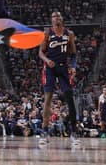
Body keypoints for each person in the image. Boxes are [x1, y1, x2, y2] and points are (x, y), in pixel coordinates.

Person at [37, 10, 79, 146]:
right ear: (51, 20)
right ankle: (44, 131)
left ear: (62, 19)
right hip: (50, 68)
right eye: (54, 16)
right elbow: (40, 52)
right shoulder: (47, 33)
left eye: (58, 16)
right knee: (48, 99)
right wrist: (47, 60)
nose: (56, 18)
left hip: (63, 68)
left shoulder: (69, 34)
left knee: (69, 98)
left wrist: (73, 66)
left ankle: (74, 132)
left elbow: (73, 54)